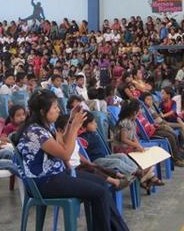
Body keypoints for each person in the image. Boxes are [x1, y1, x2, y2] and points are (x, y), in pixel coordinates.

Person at [15, 90, 129, 231]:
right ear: (43, 111)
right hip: (45, 182)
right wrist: (75, 127)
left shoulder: (44, 126)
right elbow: (66, 154)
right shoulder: (35, 132)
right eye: (55, 107)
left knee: (102, 183)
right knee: (99, 193)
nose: (58, 109)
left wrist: (70, 120)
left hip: (56, 175)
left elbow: (63, 145)